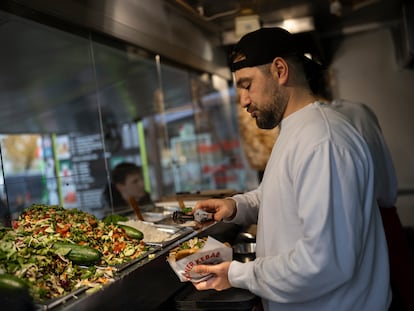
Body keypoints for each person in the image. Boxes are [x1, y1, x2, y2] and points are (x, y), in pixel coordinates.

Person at [191, 27, 392, 310]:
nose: (244, 101)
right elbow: (280, 195)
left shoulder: (322, 141)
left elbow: (325, 263)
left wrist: (237, 274)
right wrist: (235, 206)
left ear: (280, 70)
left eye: (247, 85)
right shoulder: (297, 130)